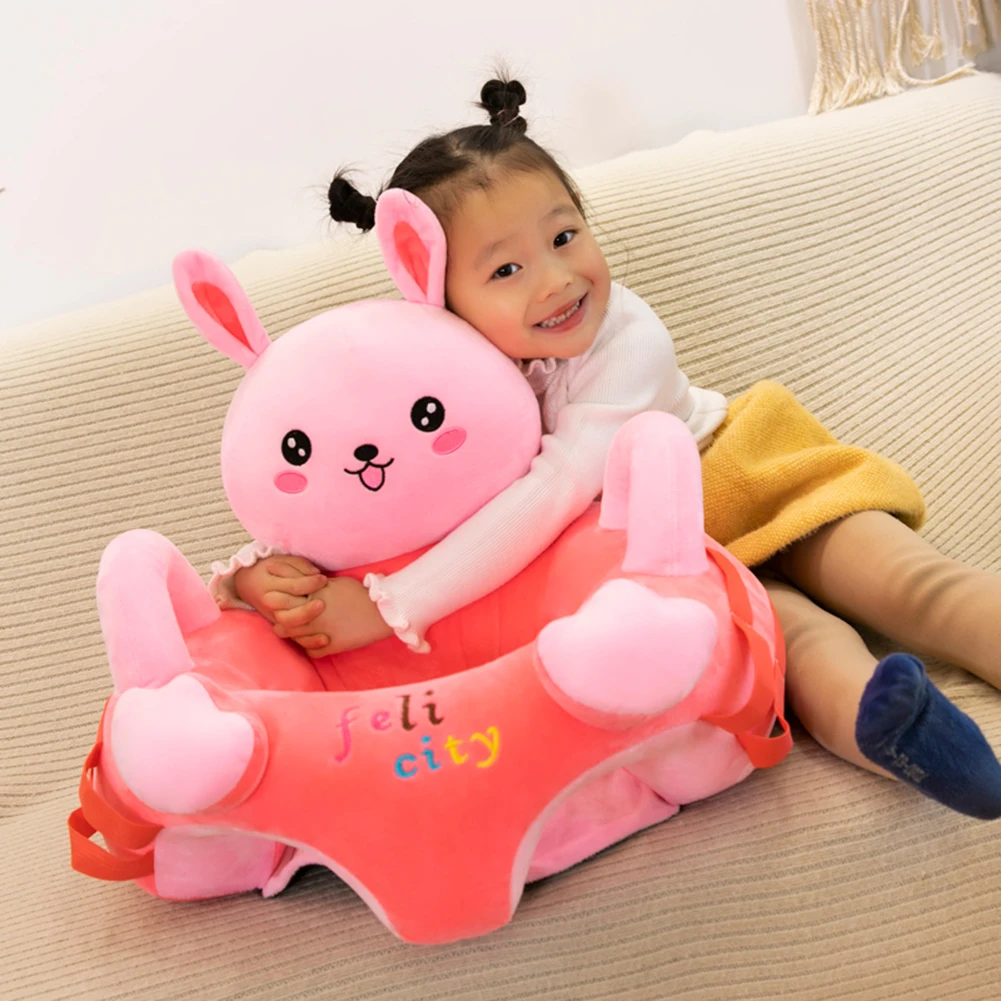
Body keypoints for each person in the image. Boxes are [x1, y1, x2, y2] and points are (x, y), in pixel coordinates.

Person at [211, 77, 1001, 820]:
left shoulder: (627, 335)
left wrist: (391, 606)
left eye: (564, 235)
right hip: (672, 560)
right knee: (796, 645)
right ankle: (901, 735)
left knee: (912, 585)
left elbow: (557, 486)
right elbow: (386, 495)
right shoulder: (445, 379)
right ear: (436, 295)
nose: (556, 279)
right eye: (506, 268)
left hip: (740, 471)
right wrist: (255, 574)